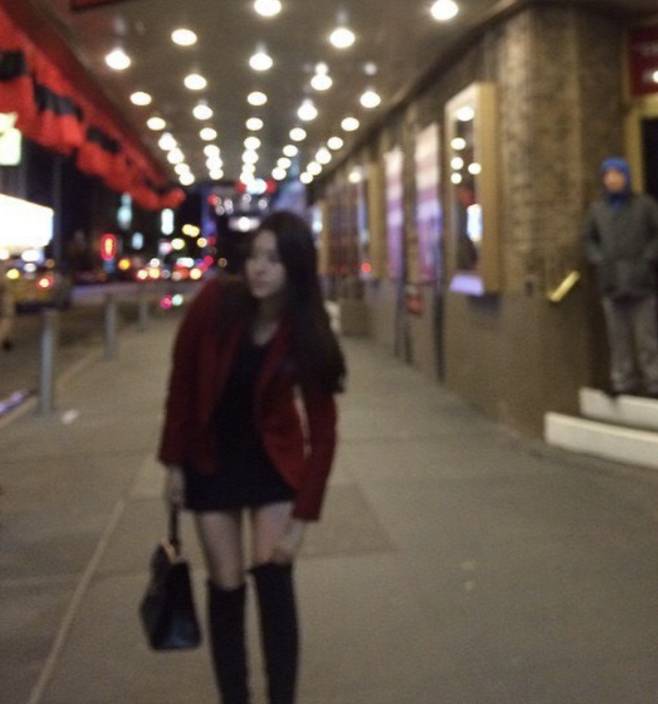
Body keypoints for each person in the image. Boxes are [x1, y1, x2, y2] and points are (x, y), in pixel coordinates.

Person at [158, 210, 346, 704]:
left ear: (295, 269)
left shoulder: (304, 329)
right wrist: (174, 464)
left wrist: (302, 521)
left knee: (273, 578)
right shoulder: (215, 303)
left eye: (274, 260)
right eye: (256, 255)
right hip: (210, 460)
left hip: (271, 461)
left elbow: (324, 433)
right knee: (226, 586)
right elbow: (181, 383)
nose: (259, 268)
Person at [583, 156, 658, 398]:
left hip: (641, 281)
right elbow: (589, 239)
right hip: (611, 282)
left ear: (626, 177)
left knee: (646, 336)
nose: (613, 179)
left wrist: (647, 258)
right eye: (608, 175)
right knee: (618, 338)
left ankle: (653, 381)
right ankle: (623, 380)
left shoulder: (645, 205)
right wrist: (599, 259)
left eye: (617, 174)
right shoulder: (597, 209)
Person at [0, 261, 16, 351]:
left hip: (4, 300)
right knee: (6, 318)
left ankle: (5, 338)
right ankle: (4, 338)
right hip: (4, 301)